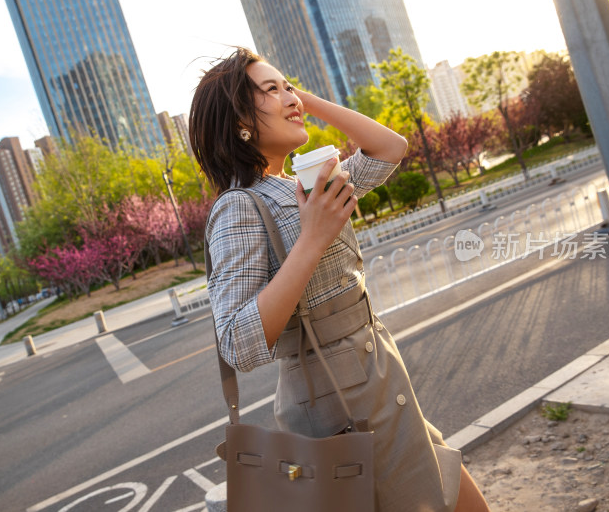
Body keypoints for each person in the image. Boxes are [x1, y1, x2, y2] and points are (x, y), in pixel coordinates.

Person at [190, 47, 490, 512]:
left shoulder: (305, 184)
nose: (289, 96)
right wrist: (312, 238)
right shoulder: (239, 207)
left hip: (382, 383)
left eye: (288, 85)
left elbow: (389, 148)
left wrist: (297, 99)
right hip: (341, 414)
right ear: (239, 122)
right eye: (271, 90)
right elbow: (237, 343)